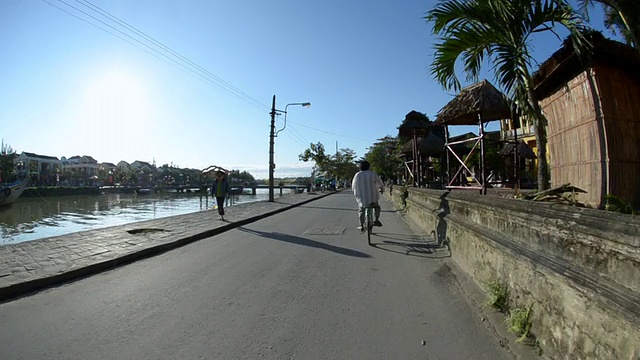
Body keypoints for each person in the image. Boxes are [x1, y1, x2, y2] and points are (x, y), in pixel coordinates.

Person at [351, 160, 384, 232]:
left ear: (360, 167)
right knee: (377, 207)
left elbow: (353, 186)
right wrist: (380, 188)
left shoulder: (357, 175)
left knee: (361, 210)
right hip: (373, 197)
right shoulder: (373, 174)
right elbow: (380, 183)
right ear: (368, 167)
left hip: (362, 198)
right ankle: (376, 219)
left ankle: (361, 225)